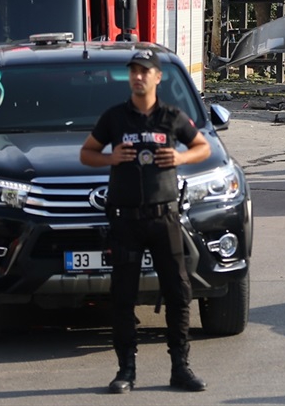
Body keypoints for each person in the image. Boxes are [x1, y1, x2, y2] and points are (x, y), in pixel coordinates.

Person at [80, 49, 211, 394]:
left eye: (145, 71)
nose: (138, 76)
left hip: (163, 216)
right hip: (125, 219)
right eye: (134, 71)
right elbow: (86, 153)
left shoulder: (171, 117)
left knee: (178, 293)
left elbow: (204, 148)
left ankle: (180, 367)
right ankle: (126, 369)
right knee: (123, 295)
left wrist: (181, 156)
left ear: (157, 77)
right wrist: (110, 156)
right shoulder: (115, 118)